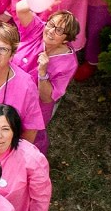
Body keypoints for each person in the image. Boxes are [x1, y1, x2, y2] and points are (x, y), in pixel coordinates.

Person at [15, 8, 79, 148]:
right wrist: (43, 1)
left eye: (59, 30)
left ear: (66, 39)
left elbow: (47, 98)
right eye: (50, 24)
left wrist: (42, 73)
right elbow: (20, 8)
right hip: (11, 95)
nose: (50, 30)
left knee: (24, 143)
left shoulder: (68, 63)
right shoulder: (38, 30)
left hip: (33, 107)